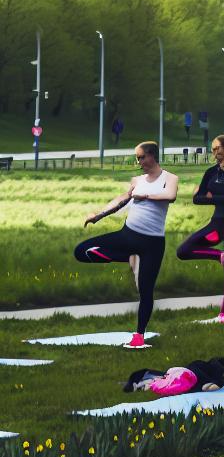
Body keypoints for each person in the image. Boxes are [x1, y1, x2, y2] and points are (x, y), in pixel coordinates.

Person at [75, 141, 178, 348]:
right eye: (137, 158)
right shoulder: (137, 180)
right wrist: (99, 215)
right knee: (81, 251)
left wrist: (145, 195)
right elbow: (123, 199)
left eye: (141, 157)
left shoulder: (170, 178)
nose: (138, 161)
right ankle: (126, 256)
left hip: (153, 243)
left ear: (151, 156)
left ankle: (139, 335)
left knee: (146, 292)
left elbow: (171, 196)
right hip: (128, 235)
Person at [175, 134, 224, 322]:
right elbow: (196, 199)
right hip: (216, 225)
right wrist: (209, 197)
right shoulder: (211, 173)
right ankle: (218, 256)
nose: (214, 152)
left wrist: (210, 197)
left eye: (217, 148)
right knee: (183, 250)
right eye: (213, 149)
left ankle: (223, 314)